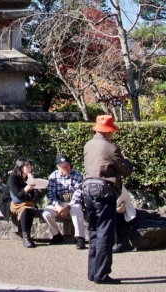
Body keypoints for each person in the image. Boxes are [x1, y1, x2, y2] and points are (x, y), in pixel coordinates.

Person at [82, 115, 132, 285]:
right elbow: (126, 170)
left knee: (94, 230)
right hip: (104, 191)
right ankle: (102, 274)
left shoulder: (88, 145)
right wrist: (125, 158)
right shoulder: (110, 148)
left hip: (88, 190)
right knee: (105, 232)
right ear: (109, 131)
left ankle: (92, 272)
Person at [41, 153, 86, 249]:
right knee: (46, 213)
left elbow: (79, 193)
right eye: (63, 166)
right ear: (58, 166)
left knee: (77, 210)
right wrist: (57, 206)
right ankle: (56, 235)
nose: (66, 167)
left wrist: (68, 206)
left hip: (73, 202)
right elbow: (50, 194)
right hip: (58, 202)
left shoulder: (77, 175)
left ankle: (80, 238)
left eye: (67, 165)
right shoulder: (53, 176)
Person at [3, 157, 42, 248]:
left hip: (25, 202)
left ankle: (28, 236)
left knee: (29, 210)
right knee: (25, 209)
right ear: (20, 168)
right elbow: (17, 196)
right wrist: (27, 188)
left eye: (30, 166)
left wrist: (33, 184)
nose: (29, 168)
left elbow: (31, 197)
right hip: (11, 202)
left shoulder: (29, 177)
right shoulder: (13, 178)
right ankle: (26, 238)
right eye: (27, 166)